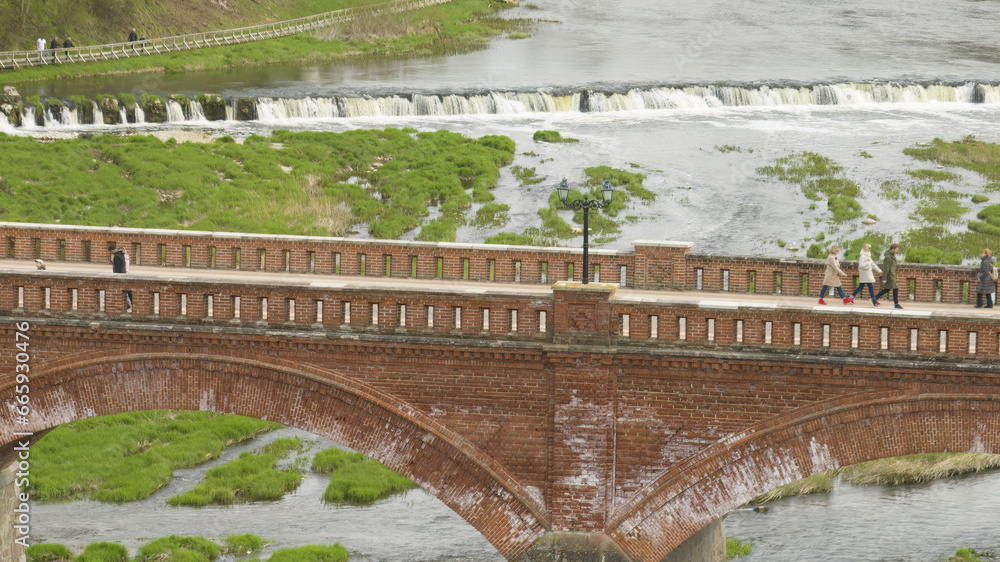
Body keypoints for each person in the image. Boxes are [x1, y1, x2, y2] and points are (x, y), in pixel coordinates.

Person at [875, 244, 903, 309]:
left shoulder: (892, 256)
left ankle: (875, 298)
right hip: (890, 275)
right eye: (896, 250)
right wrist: (884, 278)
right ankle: (896, 304)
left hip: (892, 275)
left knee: (887, 289)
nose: (897, 251)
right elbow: (886, 268)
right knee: (895, 289)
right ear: (892, 249)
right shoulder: (888, 257)